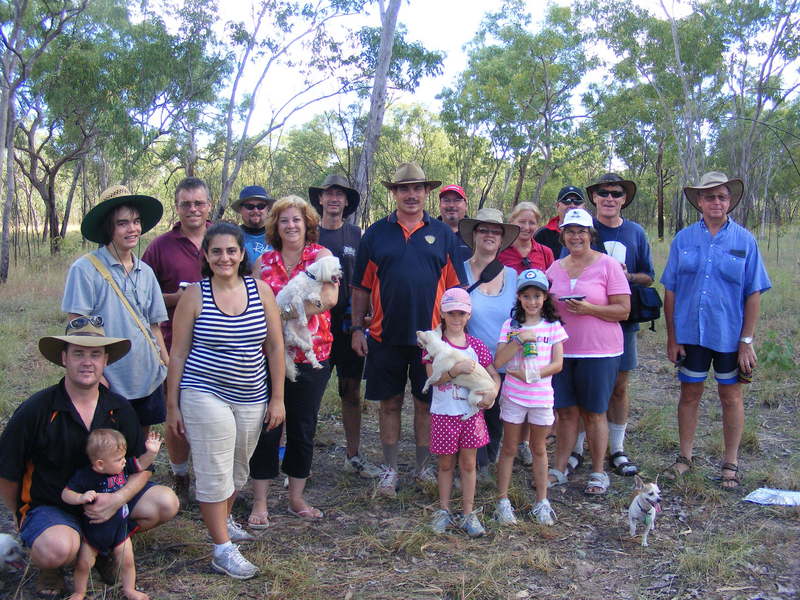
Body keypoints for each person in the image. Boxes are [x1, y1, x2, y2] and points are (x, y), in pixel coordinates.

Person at [0, 319, 178, 598]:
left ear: (106, 360)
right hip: (53, 505)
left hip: (108, 499)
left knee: (165, 502)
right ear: (64, 358)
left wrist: (117, 500)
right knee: (55, 549)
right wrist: (20, 518)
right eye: (78, 353)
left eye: (95, 354)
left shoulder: (119, 408)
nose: (87, 362)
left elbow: (142, 467)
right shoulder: (36, 409)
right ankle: (54, 564)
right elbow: (8, 472)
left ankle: (102, 547)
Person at [166, 222, 285, 579]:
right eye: (216, 251)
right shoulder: (195, 295)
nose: (224, 257)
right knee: (215, 470)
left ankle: (224, 519)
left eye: (231, 250)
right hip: (204, 391)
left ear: (241, 253)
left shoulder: (261, 290)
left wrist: (277, 398)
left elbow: (276, 347)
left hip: (251, 393)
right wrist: (173, 405)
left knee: (237, 467)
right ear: (206, 255)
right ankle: (221, 549)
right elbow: (177, 354)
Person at [351, 162, 466, 497]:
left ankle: (421, 468)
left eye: (417, 188)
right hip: (385, 336)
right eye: (404, 188)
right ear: (394, 192)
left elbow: (455, 289)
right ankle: (389, 470)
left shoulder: (443, 233)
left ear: (426, 192)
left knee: (424, 403)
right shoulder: (375, 233)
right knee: (388, 404)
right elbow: (360, 287)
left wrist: (456, 336)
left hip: (431, 340)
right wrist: (357, 328)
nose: (411, 194)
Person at [661, 172, 770, 488]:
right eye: (710, 197)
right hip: (691, 335)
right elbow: (671, 290)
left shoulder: (745, 240)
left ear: (729, 201)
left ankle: (730, 463)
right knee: (689, 393)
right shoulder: (683, 239)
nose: (716, 202)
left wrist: (746, 340)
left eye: (722, 197)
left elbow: (753, 293)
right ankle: (684, 457)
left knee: (731, 396)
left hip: (729, 336)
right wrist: (672, 337)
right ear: (699, 201)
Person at [249, 195, 338, 523]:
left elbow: (329, 298)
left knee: (302, 428)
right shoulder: (264, 262)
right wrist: (280, 317)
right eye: (284, 220)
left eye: (296, 220)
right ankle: (260, 502)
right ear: (275, 225)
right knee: (268, 427)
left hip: (312, 356)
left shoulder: (322, 257)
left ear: (307, 224)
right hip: (269, 356)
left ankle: (296, 499)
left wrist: (280, 313)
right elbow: (253, 303)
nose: (290, 226)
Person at [62, 185, 169, 437]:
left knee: (140, 441)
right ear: (109, 228)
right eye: (122, 223)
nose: (132, 229)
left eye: (136, 221)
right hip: (110, 376)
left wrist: (165, 365)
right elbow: (77, 324)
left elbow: (154, 325)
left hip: (147, 374)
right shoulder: (85, 269)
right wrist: (94, 374)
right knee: (108, 445)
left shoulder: (146, 272)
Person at [545, 208, 630, 496]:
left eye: (581, 231)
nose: (576, 236)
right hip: (563, 351)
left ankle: (598, 472)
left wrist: (589, 308)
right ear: (563, 235)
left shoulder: (608, 265)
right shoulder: (555, 268)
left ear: (591, 234)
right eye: (570, 231)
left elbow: (623, 310)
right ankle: (558, 469)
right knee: (566, 412)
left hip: (600, 352)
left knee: (595, 412)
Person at [142, 177, 211, 505]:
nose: (193, 209)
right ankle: (180, 475)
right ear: (177, 207)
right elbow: (141, 293)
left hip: (218, 347)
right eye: (186, 204)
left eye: (199, 203)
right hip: (173, 346)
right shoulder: (160, 246)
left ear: (208, 206)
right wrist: (178, 298)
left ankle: (214, 483)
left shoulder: (221, 238)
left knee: (214, 416)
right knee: (178, 415)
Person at [309, 174, 381, 479]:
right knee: (309, 394)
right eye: (329, 194)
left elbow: (365, 280)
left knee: (351, 390)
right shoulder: (310, 234)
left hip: (349, 325)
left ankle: (354, 455)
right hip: (315, 325)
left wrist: (361, 323)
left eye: (340, 195)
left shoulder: (356, 235)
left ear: (347, 201)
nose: (335, 199)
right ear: (321, 200)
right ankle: (301, 460)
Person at [586, 173, 655, 477]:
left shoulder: (635, 233)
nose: (610, 198)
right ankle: (577, 449)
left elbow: (649, 276)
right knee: (582, 385)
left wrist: (626, 277)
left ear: (624, 199)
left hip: (622, 320)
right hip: (585, 319)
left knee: (619, 385)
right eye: (604, 193)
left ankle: (617, 448)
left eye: (616, 194)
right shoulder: (583, 229)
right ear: (595, 198)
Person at [493, 269, 567, 525]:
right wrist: (518, 341)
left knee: (538, 448)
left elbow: (558, 364)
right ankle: (502, 500)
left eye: (537, 295)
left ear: (545, 297)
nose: (532, 301)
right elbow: (499, 361)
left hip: (541, 396)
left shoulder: (553, 326)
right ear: (519, 297)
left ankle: (542, 501)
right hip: (514, 395)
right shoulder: (510, 326)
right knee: (510, 447)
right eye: (526, 296)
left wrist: (532, 375)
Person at [424, 288, 500, 538]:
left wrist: (492, 393)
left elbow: (493, 374)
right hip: (445, 413)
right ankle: (443, 510)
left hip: (471, 413)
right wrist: (455, 371)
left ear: (468, 315)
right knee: (445, 464)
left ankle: (469, 512)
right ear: (443, 314)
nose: (456, 318)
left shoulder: (475, 345)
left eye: (461, 313)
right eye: (451, 313)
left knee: (469, 464)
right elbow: (432, 379)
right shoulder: (434, 345)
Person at [62, 429, 162, 600]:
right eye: (118, 459)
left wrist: (151, 452)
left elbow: (141, 465)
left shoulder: (123, 468)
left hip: (119, 530)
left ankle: (130, 589)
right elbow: (66, 493)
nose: (124, 461)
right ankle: (79, 592)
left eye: (123, 457)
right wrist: (80, 497)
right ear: (100, 464)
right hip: (93, 532)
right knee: (84, 564)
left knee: (127, 561)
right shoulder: (85, 476)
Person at [458, 208, 520, 475]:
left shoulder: (514, 276)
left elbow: (523, 317)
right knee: (471, 414)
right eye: (484, 229)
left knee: (495, 418)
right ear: (474, 235)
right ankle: (472, 466)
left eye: (496, 231)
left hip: (504, 359)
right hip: (470, 362)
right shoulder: (458, 272)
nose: (490, 235)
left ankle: (488, 466)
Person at [499, 201, 554, 274]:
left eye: (532, 223)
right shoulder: (500, 251)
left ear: (537, 225)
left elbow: (552, 282)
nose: (527, 227)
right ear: (512, 222)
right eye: (522, 222)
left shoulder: (546, 253)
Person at [534, 186, 587, 259]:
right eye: (567, 201)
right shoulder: (542, 235)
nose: (572, 205)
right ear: (557, 205)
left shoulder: (593, 233)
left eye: (577, 201)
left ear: (584, 206)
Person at [231, 185, 275, 265]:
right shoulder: (232, 236)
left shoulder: (278, 235)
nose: (255, 210)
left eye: (260, 206)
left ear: (267, 209)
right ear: (240, 209)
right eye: (249, 206)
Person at [438, 184, 472, 263]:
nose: (451, 205)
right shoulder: (429, 231)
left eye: (457, 200)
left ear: (466, 205)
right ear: (439, 205)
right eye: (446, 200)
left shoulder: (476, 234)